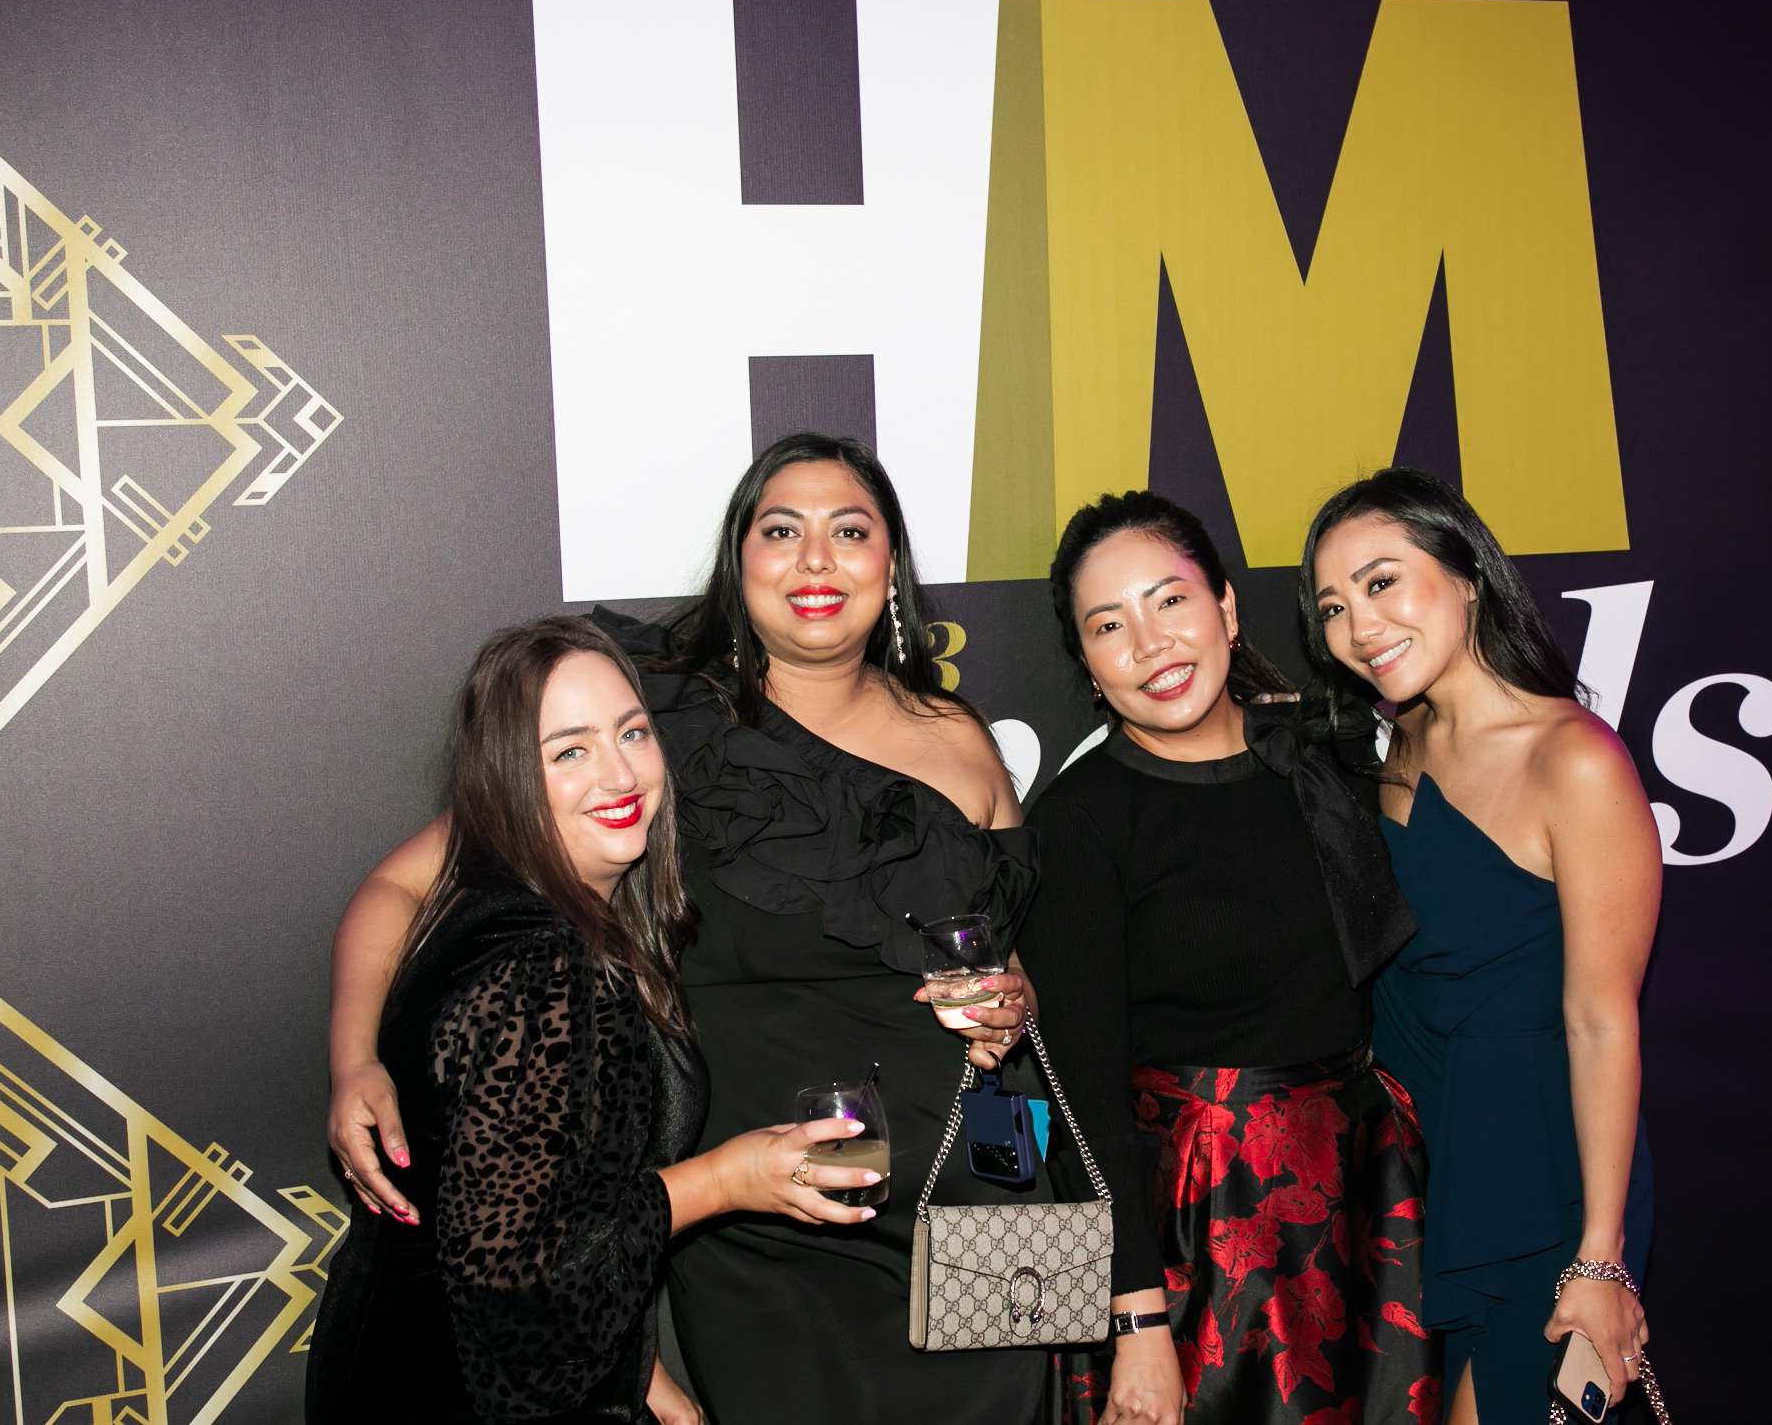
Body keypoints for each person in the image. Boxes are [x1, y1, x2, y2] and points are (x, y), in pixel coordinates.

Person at [322, 436, 1046, 1424]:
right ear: (737, 562)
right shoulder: (648, 727)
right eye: (780, 531)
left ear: (892, 567)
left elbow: (1004, 963)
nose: (816, 559)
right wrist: (355, 1058)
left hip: (969, 1203)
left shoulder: (960, 739)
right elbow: (403, 885)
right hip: (762, 1228)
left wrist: (1014, 1002)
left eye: (849, 531)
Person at [305, 616, 879, 1425]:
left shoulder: (509, 903)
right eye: (569, 751)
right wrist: (723, 1179)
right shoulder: (540, 965)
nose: (618, 772)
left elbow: (552, 1197)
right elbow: (522, 1292)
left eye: (632, 732)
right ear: (506, 780)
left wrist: (642, 1376)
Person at [1015, 492, 1435, 1425]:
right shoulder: (1079, 823)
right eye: (1108, 625)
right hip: (1191, 1235)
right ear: (1086, 663)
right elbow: (1081, 1100)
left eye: (1170, 600)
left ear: (1227, 608)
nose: (1149, 643)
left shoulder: (1324, 767)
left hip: (1365, 1198)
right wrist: (1136, 1323)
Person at [1300, 469, 1660, 1425]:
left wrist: (1599, 1257)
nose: (1358, 626)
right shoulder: (1398, 746)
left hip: (1544, 1182)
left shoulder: (1572, 758)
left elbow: (1600, 1021)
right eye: (1331, 606)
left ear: (1465, 576)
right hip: (1430, 1175)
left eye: (1381, 582)